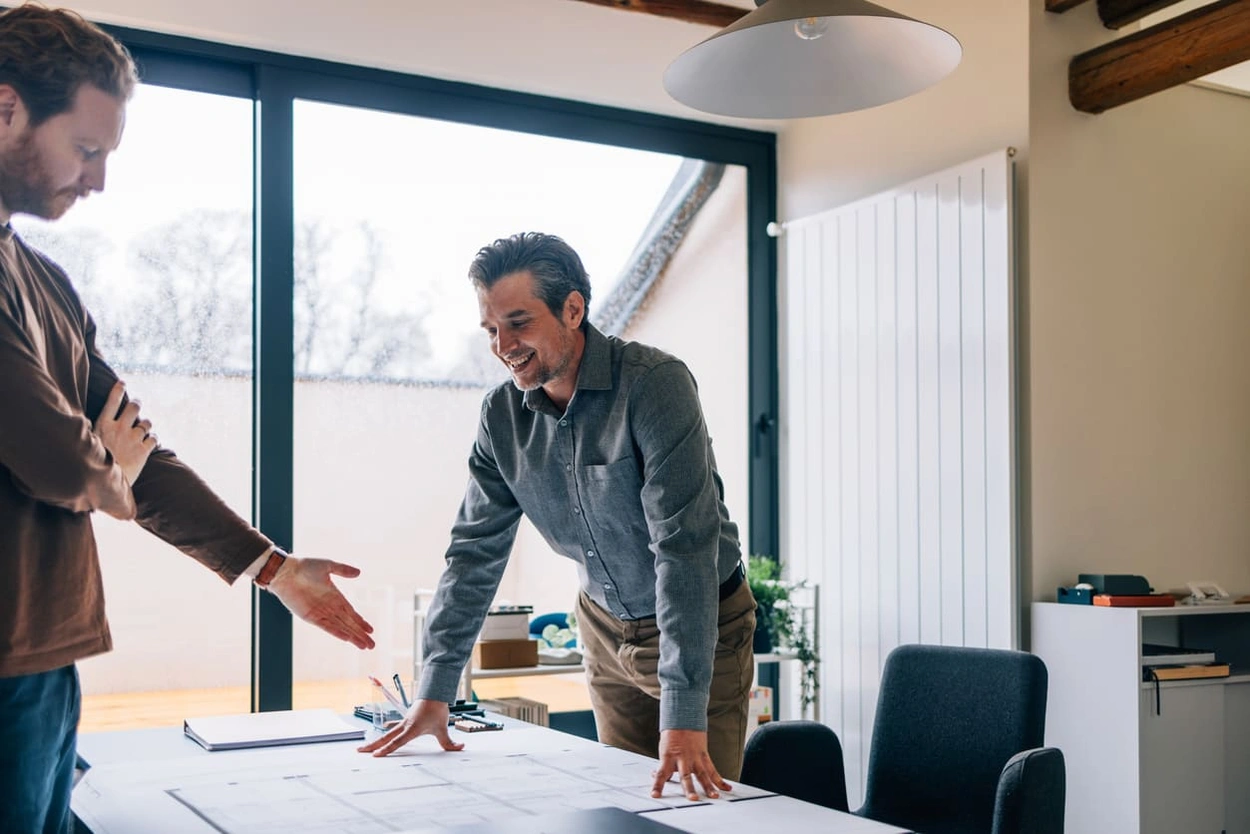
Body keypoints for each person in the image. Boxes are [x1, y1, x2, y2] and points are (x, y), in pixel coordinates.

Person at [0, 7, 375, 833]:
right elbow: (64, 464)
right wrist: (109, 472)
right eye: (86, 150)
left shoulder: (46, 282)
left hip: (48, 657)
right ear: (6, 108)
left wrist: (273, 569)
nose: (98, 181)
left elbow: (136, 453)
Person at [361, 232, 756, 801]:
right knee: (630, 803)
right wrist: (435, 689)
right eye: (490, 330)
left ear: (573, 309)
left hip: (702, 626)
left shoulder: (654, 385)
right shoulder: (501, 417)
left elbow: (684, 549)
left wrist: (684, 714)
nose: (503, 346)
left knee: (703, 807)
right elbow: (473, 553)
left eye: (518, 323)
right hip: (603, 629)